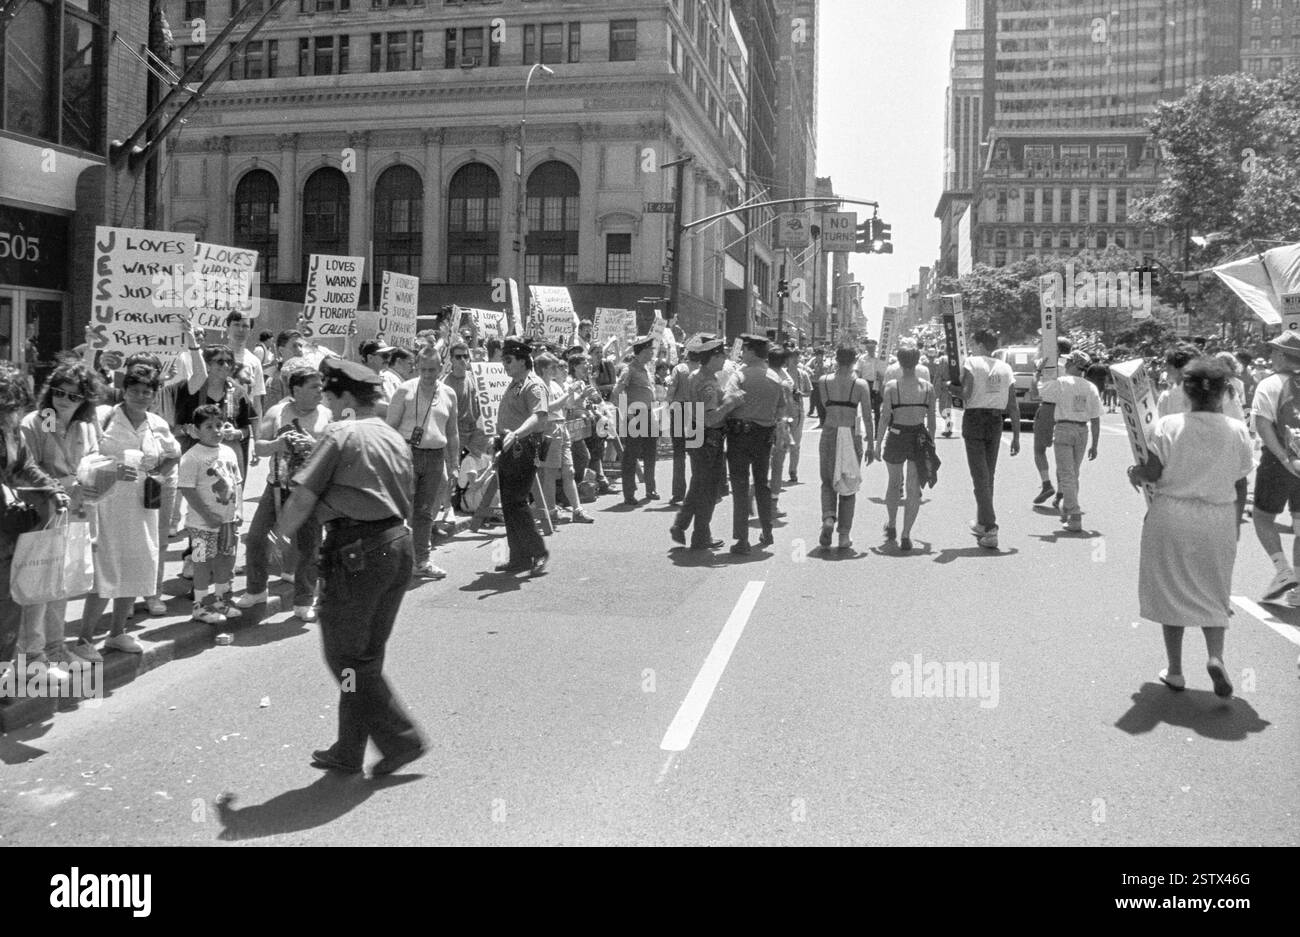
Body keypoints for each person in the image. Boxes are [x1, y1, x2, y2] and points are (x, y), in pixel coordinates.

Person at [271, 358, 427, 776]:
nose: (324, 400)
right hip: (396, 544)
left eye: (328, 394)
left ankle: (401, 738)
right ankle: (350, 748)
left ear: (341, 397)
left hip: (356, 552)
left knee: (346, 659)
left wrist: (281, 535)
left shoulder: (341, 433)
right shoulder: (392, 437)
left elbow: (303, 497)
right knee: (364, 656)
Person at [1129, 357, 1253, 698]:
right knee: (1214, 590)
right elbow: (1241, 485)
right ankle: (1215, 657)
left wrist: (1134, 473)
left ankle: (1176, 670)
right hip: (1217, 519)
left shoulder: (1167, 425)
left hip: (1171, 516)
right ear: (1225, 393)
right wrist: (1236, 525)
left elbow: (1152, 473)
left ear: (1186, 391)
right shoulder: (1238, 431)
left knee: (1173, 590)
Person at [72, 364, 181, 662]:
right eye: (134, 391)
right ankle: (83, 639)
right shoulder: (104, 416)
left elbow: (174, 452)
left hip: (143, 504)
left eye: (147, 392)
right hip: (106, 504)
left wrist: (158, 474)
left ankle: (117, 633)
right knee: (105, 569)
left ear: (154, 395)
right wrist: (112, 469)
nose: (140, 396)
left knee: (136, 564)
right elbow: (83, 457)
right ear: (125, 391)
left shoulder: (157, 423)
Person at [18, 362, 102, 673]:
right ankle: (32, 655)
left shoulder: (85, 426)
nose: (64, 399)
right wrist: (64, 484)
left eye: (73, 395)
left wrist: (96, 481)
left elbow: (93, 462)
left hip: (75, 513)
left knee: (61, 585)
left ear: (85, 399)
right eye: (58, 392)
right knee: (38, 586)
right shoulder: (36, 422)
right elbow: (25, 470)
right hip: (43, 514)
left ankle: (56, 648)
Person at [234, 359, 330, 620]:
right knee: (256, 537)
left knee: (309, 546)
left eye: (321, 387)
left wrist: (312, 445)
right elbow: (261, 447)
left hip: (309, 490)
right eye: (313, 387)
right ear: (296, 389)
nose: (320, 392)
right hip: (276, 486)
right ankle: (256, 589)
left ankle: (304, 600)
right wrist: (281, 442)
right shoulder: (278, 412)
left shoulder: (326, 415)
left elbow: (335, 452)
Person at [1, 363, 70, 677]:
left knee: (10, 600)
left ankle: (6, 670)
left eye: (13, 404)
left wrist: (52, 489)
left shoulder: (13, 427)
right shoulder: (42, 419)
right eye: (5, 404)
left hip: (11, 528)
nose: (11, 411)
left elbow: (27, 464)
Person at [386, 344, 460, 579]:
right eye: (424, 369)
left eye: (432, 369)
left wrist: (455, 464)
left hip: (436, 457)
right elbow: (390, 428)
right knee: (401, 509)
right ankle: (396, 561)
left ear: (440, 367)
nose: (428, 375)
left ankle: (422, 561)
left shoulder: (448, 393)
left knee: (426, 512)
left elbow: (452, 432)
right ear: (417, 367)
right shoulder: (404, 391)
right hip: (408, 455)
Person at [950, 328, 1019, 550]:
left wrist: (949, 388)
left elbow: (966, 393)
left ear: (979, 344)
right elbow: (1013, 404)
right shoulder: (1005, 367)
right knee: (987, 474)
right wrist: (1016, 435)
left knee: (979, 477)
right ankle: (982, 522)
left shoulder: (971, 363)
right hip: (996, 421)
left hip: (975, 420)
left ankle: (990, 528)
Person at [177, 405, 244, 624]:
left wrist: (239, 510)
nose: (216, 431)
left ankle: (221, 600)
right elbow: (187, 489)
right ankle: (200, 605)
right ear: (196, 430)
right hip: (201, 524)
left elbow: (238, 483)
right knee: (202, 563)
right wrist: (207, 515)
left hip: (227, 521)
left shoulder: (229, 451)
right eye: (209, 426)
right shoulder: (192, 457)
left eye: (219, 425)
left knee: (225, 559)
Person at [670, 335, 735, 550]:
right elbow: (711, 417)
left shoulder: (696, 375)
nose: (725, 358)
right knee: (708, 488)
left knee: (699, 483)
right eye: (721, 354)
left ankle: (684, 526)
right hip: (708, 436)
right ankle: (699, 535)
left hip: (696, 432)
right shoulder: (707, 382)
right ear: (713, 357)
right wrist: (731, 403)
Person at [1249, 331, 1300, 602]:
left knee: (1262, 517)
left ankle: (1283, 570)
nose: (1270, 356)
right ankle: (1299, 587)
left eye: (1273, 351)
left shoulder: (1269, 384)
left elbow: (1262, 424)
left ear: (1282, 355)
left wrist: (1282, 457)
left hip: (1278, 462)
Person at [492, 339, 550, 576]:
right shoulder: (515, 383)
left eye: (508, 360)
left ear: (522, 360)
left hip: (524, 447)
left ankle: (538, 552)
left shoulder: (533, 385)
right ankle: (519, 557)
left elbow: (540, 417)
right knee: (508, 504)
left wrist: (516, 434)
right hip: (509, 447)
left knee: (517, 501)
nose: (504, 365)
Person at [724, 333, 785, 555]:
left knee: (740, 486)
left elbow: (728, 401)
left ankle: (742, 539)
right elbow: (781, 410)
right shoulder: (775, 378)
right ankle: (767, 531)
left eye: (744, 350)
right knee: (762, 483)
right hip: (764, 436)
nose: (741, 353)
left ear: (750, 352)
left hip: (740, 435)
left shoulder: (738, 376)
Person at [874, 344, 935, 552]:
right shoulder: (927, 388)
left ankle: (891, 524)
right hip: (919, 436)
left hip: (897, 435)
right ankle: (906, 534)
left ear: (899, 362)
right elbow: (933, 423)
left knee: (894, 483)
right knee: (913, 489)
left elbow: (884, 418)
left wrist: (876, 443)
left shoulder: (892, 386)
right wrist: (931, 445)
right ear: (918, 362)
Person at [819, 345, 875, 550]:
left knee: (827, 481)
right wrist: (871, 443)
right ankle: (844, 535)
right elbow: (868, 416)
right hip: (851, 434)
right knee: (848, 485)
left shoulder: (824, 382)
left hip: (830, 432)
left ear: (836, 360)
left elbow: (825, 406)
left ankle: (827, 518)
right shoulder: (860, 385)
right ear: (854, 361)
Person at [1040, 351, 1102, 533]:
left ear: (1074, 365)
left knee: (1066, 474)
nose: (1065, 364)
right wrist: (1095, 444)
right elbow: (1096, 418)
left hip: (1064, 429)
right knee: (1073, 473)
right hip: (1083, 430)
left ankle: (1074, 515)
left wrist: (1039, 373)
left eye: (1068, 362)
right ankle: (1068, 509)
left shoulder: (1062, 383)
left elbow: (1042, 392)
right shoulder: (1090, 387)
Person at [536, 352, 592, 526]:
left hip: (562, 427)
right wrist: (566, 395)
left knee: (569, 471)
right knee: (550, 473)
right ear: (544, 369)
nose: (557, 369)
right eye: (553, 367)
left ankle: (577, 510)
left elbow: (568, 404)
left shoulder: (555, 385)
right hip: (549, 429)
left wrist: (577, 395)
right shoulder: (538, 386)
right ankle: (551, 511)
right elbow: (547, 407)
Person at [615, 336, 658, 505]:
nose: (652, 353)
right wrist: (627, 413)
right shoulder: (629, 369)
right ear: (641, 352)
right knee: (631, 455)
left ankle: (650, 488)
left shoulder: (646, 368)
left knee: (650, 453)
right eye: (649, 350)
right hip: (635, 415)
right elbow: (617, 392)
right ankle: (629, 492)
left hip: (648, 413)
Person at [1031, 338, 1073, 507]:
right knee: (1062, 453)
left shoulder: (1050, 367)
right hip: (1067, 412)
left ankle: (1047, 483)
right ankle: (1061, 491)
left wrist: (1036, 374)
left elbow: (1035, 393)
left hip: (1048, 408)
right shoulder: (1072, 368)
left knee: (1039, 450)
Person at [666, 348, 693, 505]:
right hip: (697, 411)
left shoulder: (679, 369)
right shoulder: (702, 370)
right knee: (698, 452)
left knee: (679, 454)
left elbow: (670, 391)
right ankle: (699, 490)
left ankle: (678, 493)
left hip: (679, 410)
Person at [855, 339, 887, 428]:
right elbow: (858, 372)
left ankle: (877, 430)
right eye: (868, 347)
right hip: (866, 384)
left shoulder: (880, 358)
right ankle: (868, 430)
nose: (870, 349)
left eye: (872, 347)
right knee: (866, 409)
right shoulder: (862, 359)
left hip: (877, 384)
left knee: (877, 409)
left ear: (875, 347)